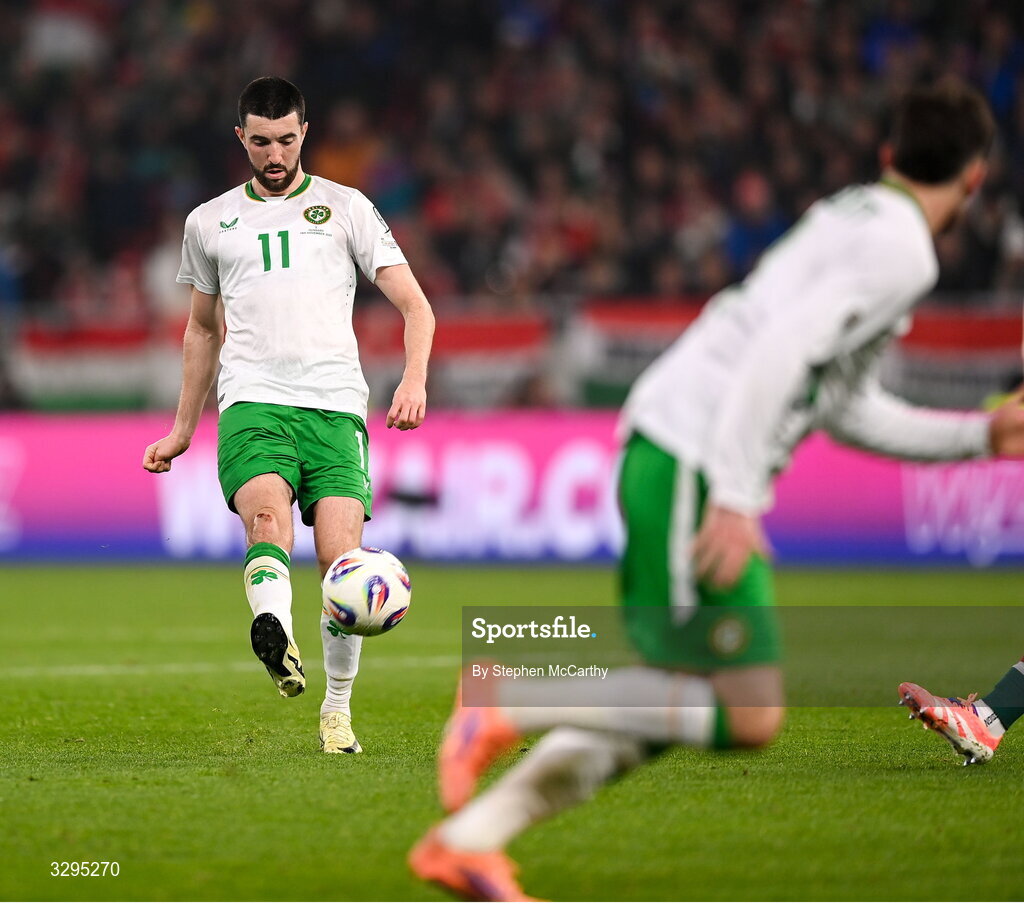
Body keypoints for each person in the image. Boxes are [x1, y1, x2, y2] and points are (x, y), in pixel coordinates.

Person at [408, 79, 1024, 901]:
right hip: (696, 452)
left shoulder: (851, 217)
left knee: (682, 701)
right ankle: (510, 694)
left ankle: (471, 841)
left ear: (888, 155)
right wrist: (737, 497)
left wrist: (978, 435)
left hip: (686, 442)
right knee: (747, 711)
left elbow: (841, 402)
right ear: (978, 176)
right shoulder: (904, 252)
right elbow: (782, 347)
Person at [143, 77, 434, 755]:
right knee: (266, 521)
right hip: (253, 403)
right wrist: (183, 429)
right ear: (241, 138)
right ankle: (274, 631)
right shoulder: (209, 222)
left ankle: (335, 711)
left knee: (343, 566)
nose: (275, 153)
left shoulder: (347, 208)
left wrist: (414, 379)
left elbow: (417, 306)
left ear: (305, 132)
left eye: (287, 138)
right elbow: (201, 330)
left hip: (336, 408)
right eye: (261, 141)